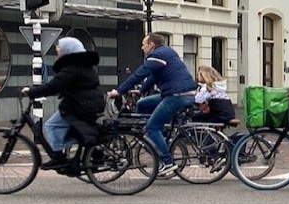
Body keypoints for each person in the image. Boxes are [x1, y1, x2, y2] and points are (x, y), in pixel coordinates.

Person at [108, 33, 197, 178]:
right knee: (143, 103)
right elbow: (154, 76)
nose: (142, 47)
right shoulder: (167, 52)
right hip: (182, 93)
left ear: (151, 45)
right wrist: (140, 90)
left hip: (176, 95)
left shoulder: (156, 55)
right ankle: (157, 136)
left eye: (144, 44)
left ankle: (167, 161)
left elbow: (139, 74)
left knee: (152, 126)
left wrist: (118, 91)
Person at [20, 37, 104, 171]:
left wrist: (31, 92)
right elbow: (63, 86)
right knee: (75, 130)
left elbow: (53, 86)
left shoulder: (72, 67)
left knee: (51, 125)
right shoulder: (82, 65)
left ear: (68, 50)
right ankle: (93, 150)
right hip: (89, 102)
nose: (57, 49)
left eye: (59, 47)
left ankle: (59, 157)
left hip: (80, 105)